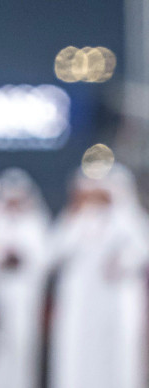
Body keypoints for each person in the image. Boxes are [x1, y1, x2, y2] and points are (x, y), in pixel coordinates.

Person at [47, 164, 149, 388]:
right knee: (77, 355)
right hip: (80, 306)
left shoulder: (130, 220)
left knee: (118, 357)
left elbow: (141, 251)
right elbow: (52, 253)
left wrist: (123, 262)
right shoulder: (75, 219)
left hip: (115, 303)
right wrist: (75, 211)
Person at [0, 169, 48, 388]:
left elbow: (44, 258)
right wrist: (0, 259)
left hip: (24, 296)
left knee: (21, 345)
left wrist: (22, 258)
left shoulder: (34, 223)